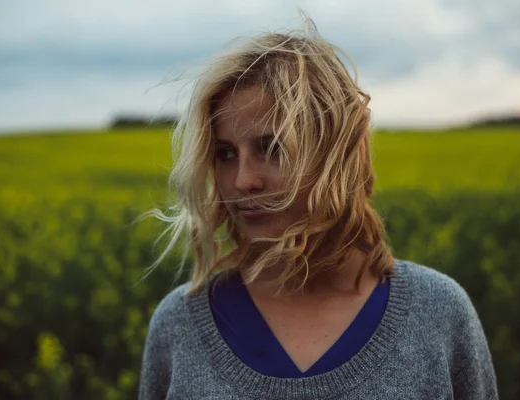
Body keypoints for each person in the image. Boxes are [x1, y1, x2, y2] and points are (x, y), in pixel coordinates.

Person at [139, 17, 498, 400]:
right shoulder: (180, 326)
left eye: (273, 148)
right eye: (226, 153)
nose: (243, 180)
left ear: (335, 157)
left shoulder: (438, 314)